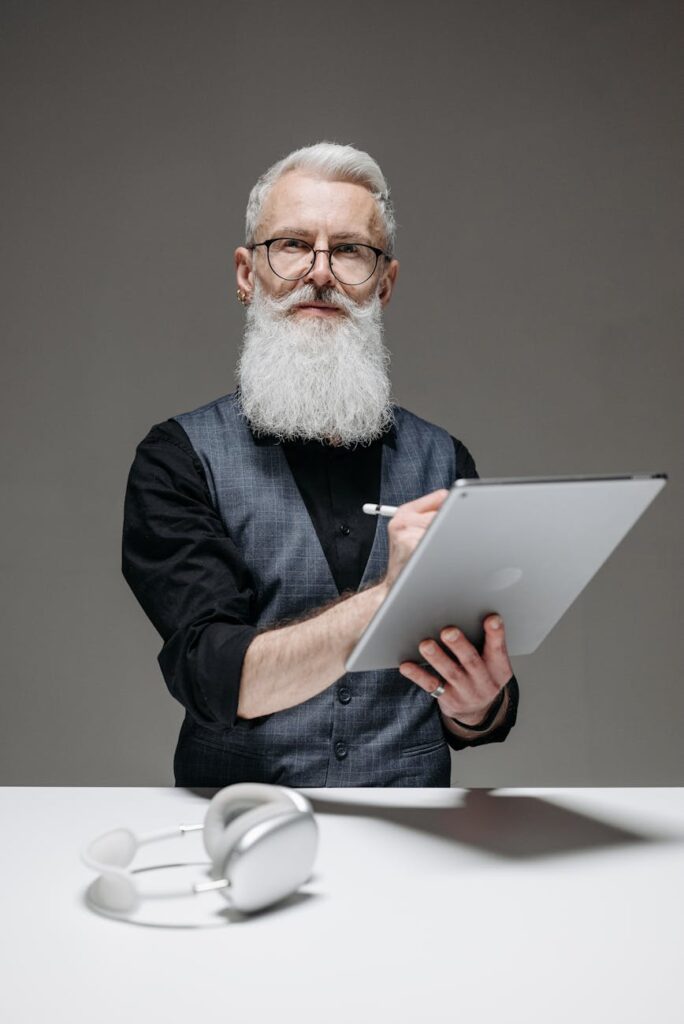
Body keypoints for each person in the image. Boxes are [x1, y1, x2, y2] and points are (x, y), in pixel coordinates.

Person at [122, 142, 519, 787]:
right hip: (242, 828)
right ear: (247, 275)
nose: (320, 272)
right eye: (292, 245)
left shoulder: (444, 459)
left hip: (411, 838)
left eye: (351, 251)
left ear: (384, 286)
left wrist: (477, 706)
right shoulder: (178, 459)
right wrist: (390, 601)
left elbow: (478, 706)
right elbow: (217, 676)